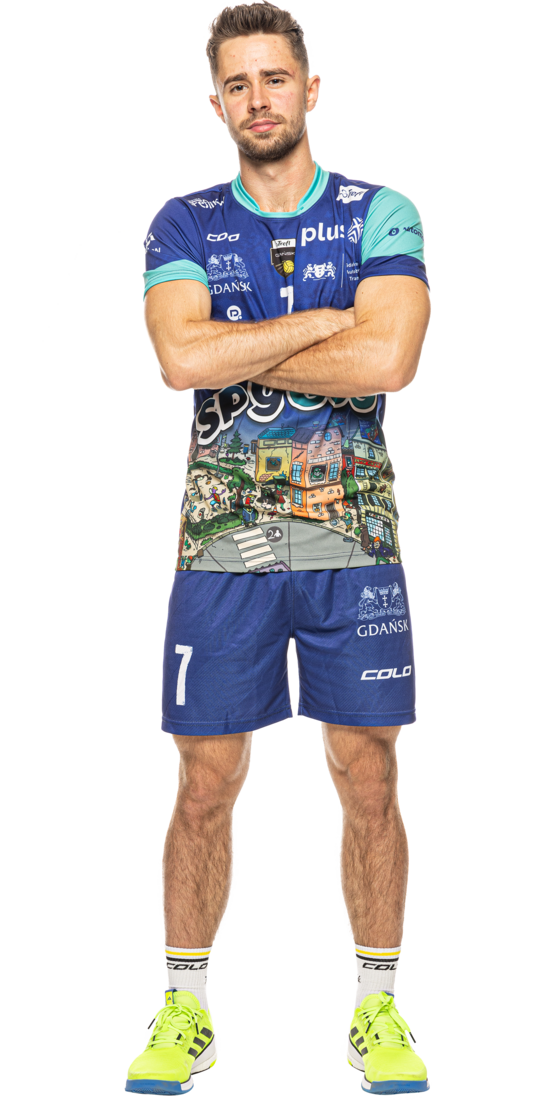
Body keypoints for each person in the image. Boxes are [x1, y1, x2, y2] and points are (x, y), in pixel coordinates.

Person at [126, 2, 432, 1095]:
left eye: (275, 77)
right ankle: (186, 1007)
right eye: (237, 83)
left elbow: (391, 361)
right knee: (205, 780)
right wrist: (324, 323)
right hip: (220, 549)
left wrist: (237, 345)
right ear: (216, 103)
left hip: (357, 539)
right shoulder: (181, 220)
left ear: (311, 87)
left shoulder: (381, 209)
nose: (258, 99)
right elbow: (177, 362)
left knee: (369, 773)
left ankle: (377, 1006)